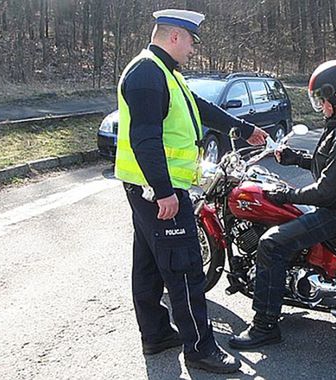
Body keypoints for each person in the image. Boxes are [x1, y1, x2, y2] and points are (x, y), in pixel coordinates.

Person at [114, 9, 268, 374]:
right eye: (191, 41)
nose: (194, 49)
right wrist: (165, 191)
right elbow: (145, 139)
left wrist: (241, 128)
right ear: (174, 37)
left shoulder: (164, 72)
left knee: (150, 264)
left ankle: (156, 335)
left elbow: (197, 109)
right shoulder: (148, 74)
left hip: (151, 190)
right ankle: (200, 349)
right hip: (159, 192)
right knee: (184, 269)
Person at [229, 59, 336, 349]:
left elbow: (326, 192)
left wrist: (285, 194)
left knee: (271, 244)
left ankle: (264, 326)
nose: (320, 105)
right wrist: (295, 158)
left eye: (321, 99)